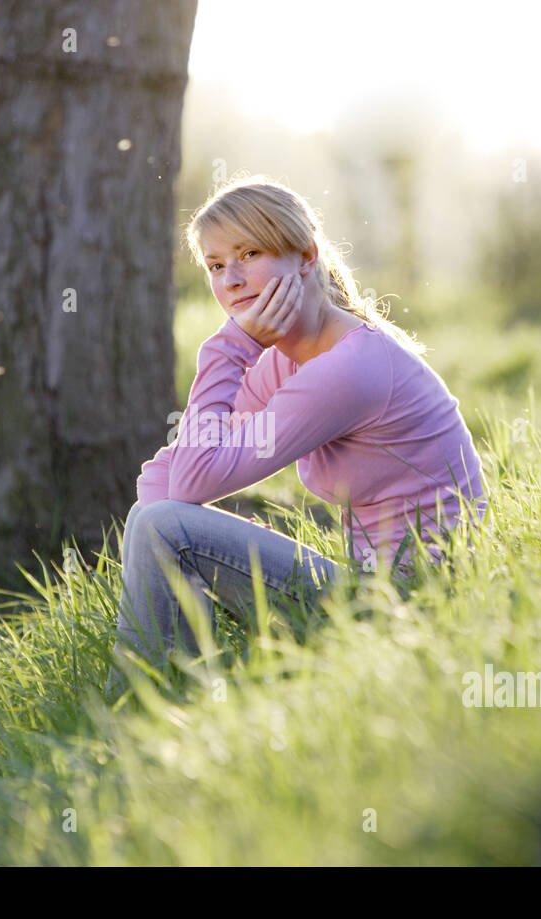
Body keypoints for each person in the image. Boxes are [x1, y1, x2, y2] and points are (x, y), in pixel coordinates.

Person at [106, 174, 486, 698]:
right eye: (216, 266)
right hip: (370, 590)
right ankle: (177, 698)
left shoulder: (348, 370)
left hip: (408, 609)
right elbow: (169, 475)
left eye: (250, 253)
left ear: (306, 256)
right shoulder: (290, 361)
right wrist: (159, 526)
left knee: (165, 528)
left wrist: (227, 347)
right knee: (155, 522)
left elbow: (190, 484)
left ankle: (142, 709)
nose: (231, 280)